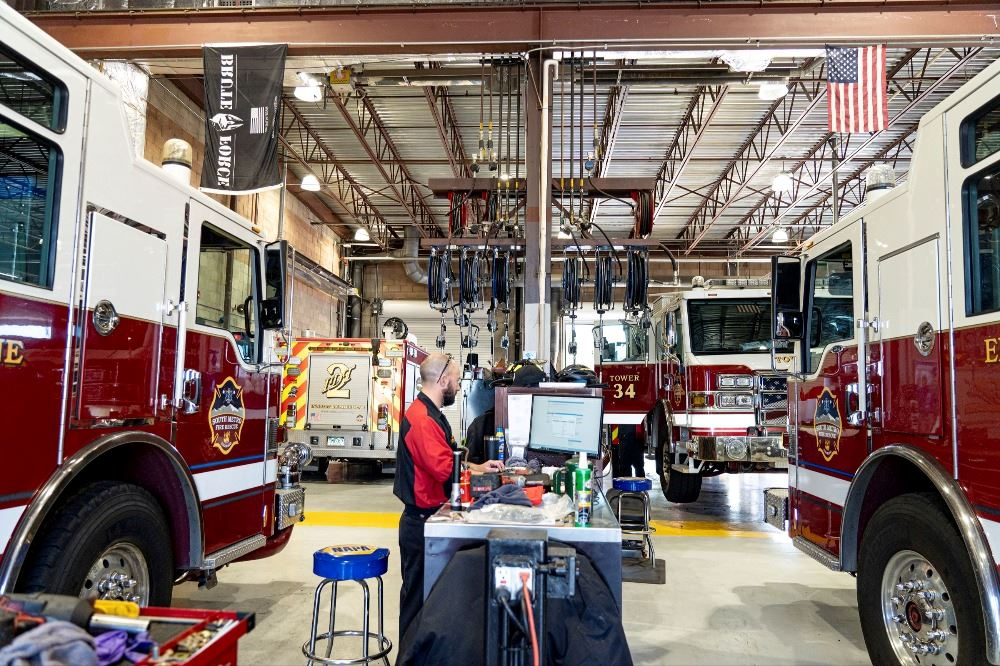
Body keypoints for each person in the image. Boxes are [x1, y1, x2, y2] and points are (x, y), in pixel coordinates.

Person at [394, 353, 502, 642]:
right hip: (421, 523)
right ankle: (409, 657)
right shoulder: (422, 420)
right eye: (455, 380)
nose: (458, 387)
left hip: (430, 518)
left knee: (429, 598)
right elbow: (444, 469)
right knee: (418, 601)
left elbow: (448, 458)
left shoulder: (431, 414)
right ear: (443, 380)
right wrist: (486, 481)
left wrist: (479, 467)